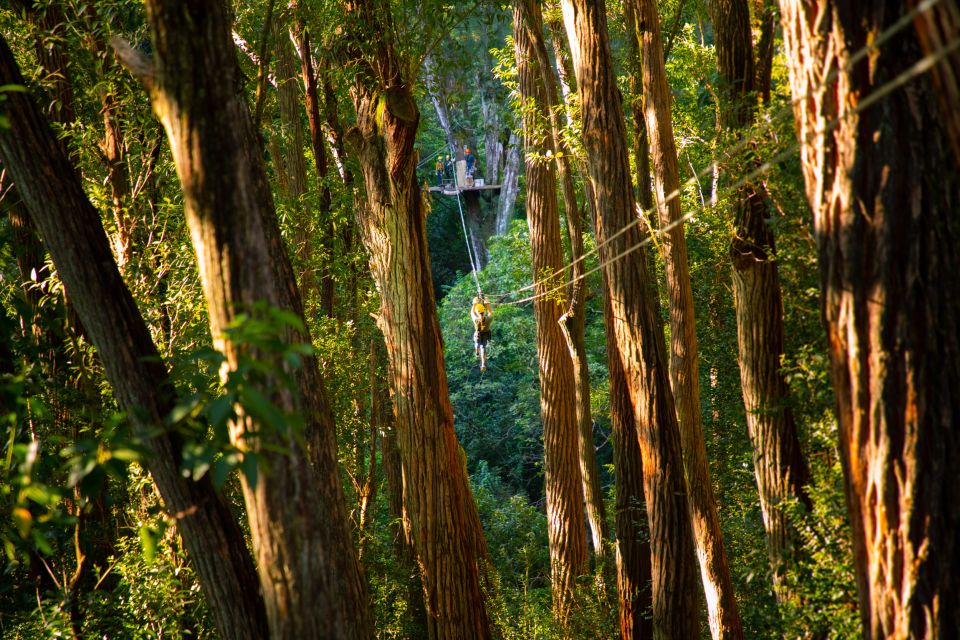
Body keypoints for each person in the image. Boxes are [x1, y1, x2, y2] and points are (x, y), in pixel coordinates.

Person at [470, 295, 493, 370]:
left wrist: (474, 303)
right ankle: (483, 364)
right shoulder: (488, 319)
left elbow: (472, 312)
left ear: (477, 312)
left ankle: (477, 353)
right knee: (483, 348)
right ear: (484, 312)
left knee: (477, 344)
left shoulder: (476, 320)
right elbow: (490, 312)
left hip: (478, 335)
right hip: (486, 335)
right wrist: (487, 304)